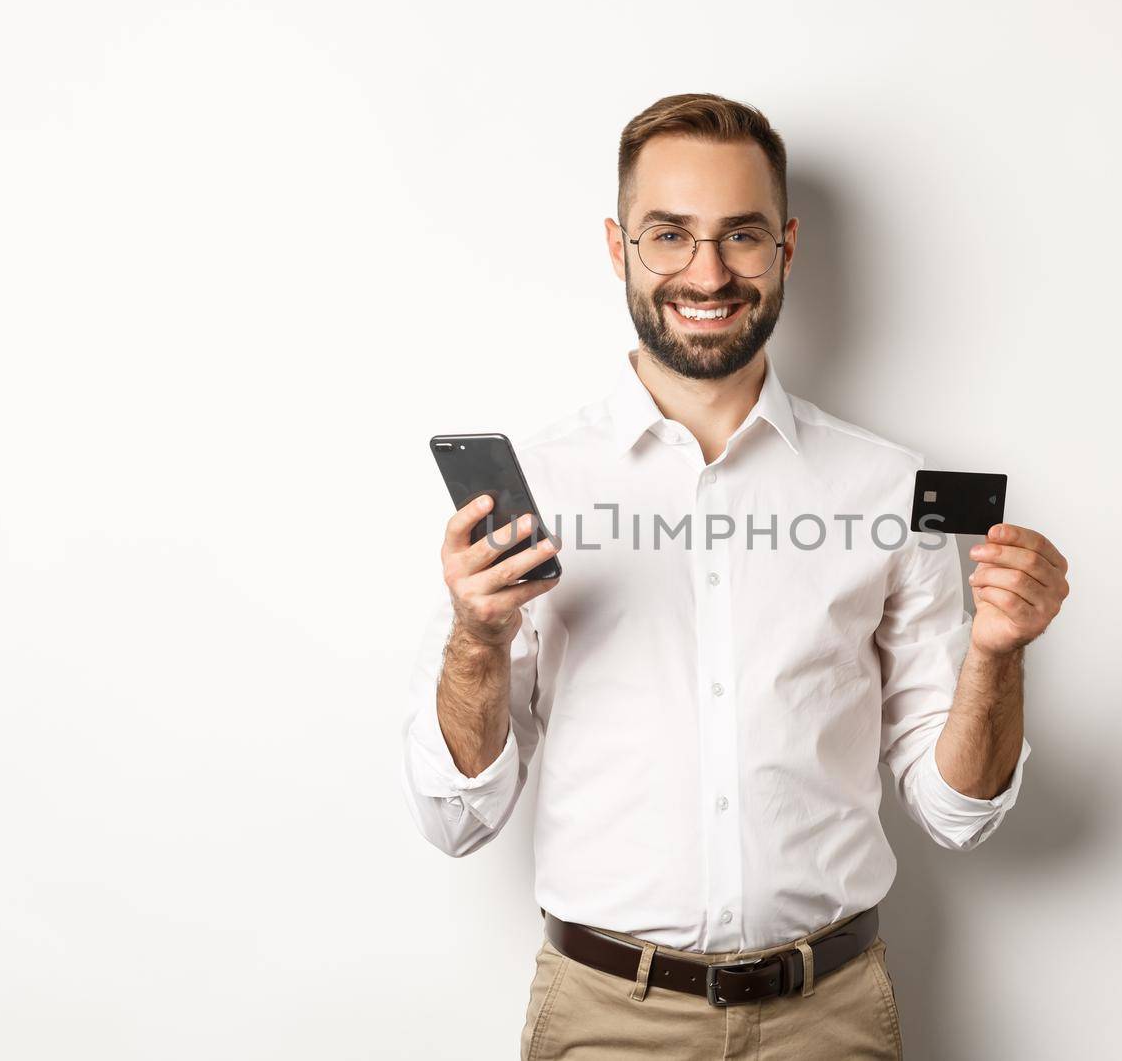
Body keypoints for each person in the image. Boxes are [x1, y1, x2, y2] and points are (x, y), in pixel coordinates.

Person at [401, 92, 1071, 1061]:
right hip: (603, 1019)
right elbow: (455, 817)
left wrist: (998, 653)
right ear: (617, 244)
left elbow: (956, 810)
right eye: (668, 235)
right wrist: (478, 637)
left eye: (741, 235)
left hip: (829, 1017)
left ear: (786, 245)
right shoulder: (532, 488)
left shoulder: (888, 486)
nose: (706, 272)